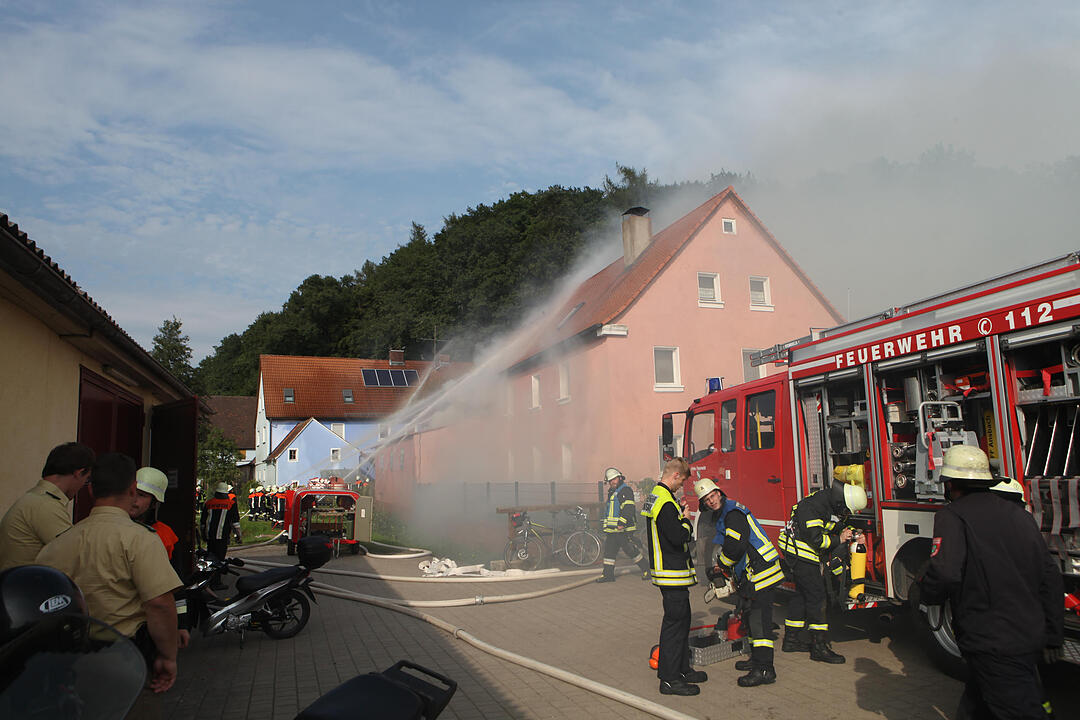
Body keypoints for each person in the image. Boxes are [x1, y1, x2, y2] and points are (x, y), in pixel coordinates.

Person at [918, 445, 1063, 720]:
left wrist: (928, 598)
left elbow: (945, 572)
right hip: (1027, 634)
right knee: (976, 704)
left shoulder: (952, 515)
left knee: (1019, 709)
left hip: (991, 640)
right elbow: (1050, 577)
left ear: (950, 484)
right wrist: (1054, 635)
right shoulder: (1020, 514)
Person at [35, 452, 183, 700]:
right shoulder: (140, 540)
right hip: (122, 656)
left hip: (69, 659)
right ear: (133, 489)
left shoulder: (57, 544)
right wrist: (168, 657)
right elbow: (159, 604)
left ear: (91, 491)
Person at [695, 478, 784, 687]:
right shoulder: (725, 512)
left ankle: (765, 670)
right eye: (707, 500)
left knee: (759, 622)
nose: (711, 501)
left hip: (763, 572)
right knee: (752, 617)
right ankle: (756, 659)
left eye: (713, 496)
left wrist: (722, 567)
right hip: (754, 573)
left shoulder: (732, 514)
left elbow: (735, 546)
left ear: (719, 493)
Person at [777, 479, 867, 663]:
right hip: (801, 555)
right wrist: (839, 540)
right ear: (841, 502)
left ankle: (791, 641)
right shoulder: (813, 508)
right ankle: (819, 648)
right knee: (817, 598)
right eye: (845, 510)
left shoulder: (822, 502)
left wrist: (847, 529)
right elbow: (817, 540)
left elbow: (825, 525)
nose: (843, 513)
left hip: (799, 551)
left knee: (802, 595)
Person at [642, 457, 707, 696]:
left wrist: (677, 515)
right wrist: (687, 521)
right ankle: (669, 679)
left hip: (667, 571)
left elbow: (658, 528)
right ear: (675, 476)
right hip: (671, 572)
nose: (681, 487)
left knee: (683, 621)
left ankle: (681, 669)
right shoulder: (666, 502)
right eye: (682, 481)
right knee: (675, 624)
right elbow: (677, 536)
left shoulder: (654, 496)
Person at [0, 442, 95, 571]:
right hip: (27, 586)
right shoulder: (45, 506)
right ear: (78, 473)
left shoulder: (35, 499)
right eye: (87, 479)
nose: (83, 485)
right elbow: (76, 557)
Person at [130, 467, 190, 650]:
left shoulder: (166, 535)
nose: (134, 501)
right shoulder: (113, 529)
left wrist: (181, 625)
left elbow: (176, 585)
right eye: (132, 494)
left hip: (150, 624)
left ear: (154, 503)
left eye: (142, 496)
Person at [596, 467, 650, 583]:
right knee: (609, 551)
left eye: (614, 479)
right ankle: (608, 575)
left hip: (623, 528)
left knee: (630, 550)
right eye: (610, 481)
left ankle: (647, 570)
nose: (612, 482)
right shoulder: (612, 491)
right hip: (613, 529)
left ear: (620, 478)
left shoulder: (625, 490)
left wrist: (621, 523)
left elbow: (629, 508)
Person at [201, 482, 241, 563]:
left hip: (210, 536)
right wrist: (238, 535)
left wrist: (203, 535)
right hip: (222, 537)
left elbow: (203, 522)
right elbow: (235, 522)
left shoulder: (209, 503)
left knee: (210, 560)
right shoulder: (231, 504)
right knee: (219, 561)